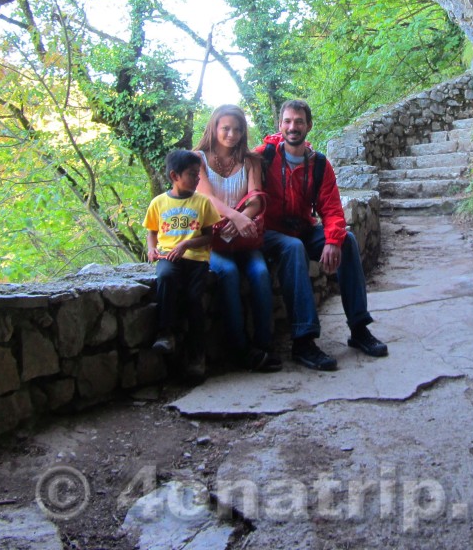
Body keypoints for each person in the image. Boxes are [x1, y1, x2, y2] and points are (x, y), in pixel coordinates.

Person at [257, 99, 388, 371]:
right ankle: (303, 341)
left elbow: (331, 208)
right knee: (293, 247)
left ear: (309, 126)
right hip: (269, 234)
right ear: (280, 125)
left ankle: (359, 328)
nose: (293, 127)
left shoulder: (318, 164)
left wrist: (332, 240)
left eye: (299, 122)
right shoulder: (264, 157)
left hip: (302, 229)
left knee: (347, 240)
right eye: (288, 121)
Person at [195, 104, 282, 372]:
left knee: (259, 272)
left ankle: (264, 345)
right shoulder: (197, 159)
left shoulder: (250, 160)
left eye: (237, 129)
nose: (231, 134)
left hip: (243, 237)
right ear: (214, 128)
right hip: (211, 239)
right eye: (226, 128)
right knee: (229, 273)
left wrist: (242, 218)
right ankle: (240, 349)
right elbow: (207, 198)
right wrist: (236, 217)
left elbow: (256, 198)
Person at [143, 149, 222, 380]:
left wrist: (187, 244)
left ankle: (197, 356)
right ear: (174, 176)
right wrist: (151, 248)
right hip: (169, 257)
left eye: (198, 174)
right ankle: (165, 332)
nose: (197, 178)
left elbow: (209, 236)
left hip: (196, 259)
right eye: (192, 174)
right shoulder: (159, 202)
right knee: (165, 278)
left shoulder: (203, 202)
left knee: (193, 299)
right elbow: (152, 230)